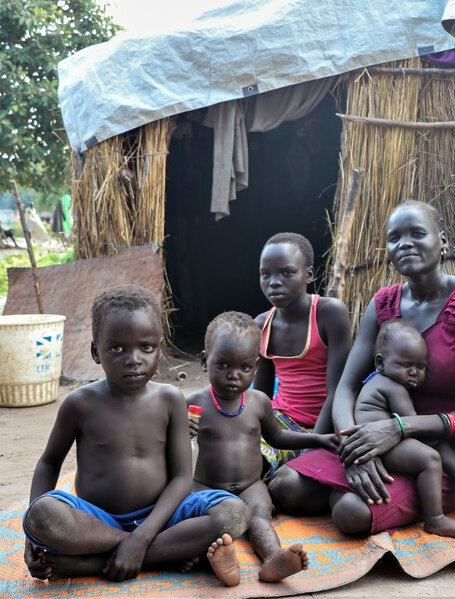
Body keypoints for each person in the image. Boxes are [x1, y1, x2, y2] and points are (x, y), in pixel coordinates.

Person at [269, 200, 455, 535]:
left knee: (351, 512)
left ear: (443, 241)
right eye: (395, 238)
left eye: (417, 233)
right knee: (285, 485)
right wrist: (355, 450)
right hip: (376, 435)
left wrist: (400, 428)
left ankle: (353, 495)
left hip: (449, 450)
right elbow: (345, 387)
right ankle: (349, 487)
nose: (405, 243)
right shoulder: (382, 303)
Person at [22, 285, 250, 585]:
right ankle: (165, 552)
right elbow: (49, 463)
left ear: (159, 347)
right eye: (117, 348)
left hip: (163, 518)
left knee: (233, 513)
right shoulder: (80, 404)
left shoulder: (170, 400)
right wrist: (30, 538)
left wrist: (142, 537)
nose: (133, 359)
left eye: (146, 347)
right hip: (98, 521)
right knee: (42, 516)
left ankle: (93, 563)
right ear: (95, 351)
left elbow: (183, 477)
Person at [187, 311, 338, 582]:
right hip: (205, 486)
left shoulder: (258, 402)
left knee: (259, 516)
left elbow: (278, 438)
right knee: (203, 519)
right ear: (204, 361)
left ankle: (273, 558)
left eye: (244, 368)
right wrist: (182, 431)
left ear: (256, 368)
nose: (234, 376)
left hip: (250, 484)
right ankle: (213, 559)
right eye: (222, 365)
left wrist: (317, 438)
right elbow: (164, 442)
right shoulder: (193, 403)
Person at [354, 319, 455, 538]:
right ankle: (435, 518)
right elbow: (412, 424)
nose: (414, 372)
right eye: (406, 365)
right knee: (430, 458)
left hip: (384, 440)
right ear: (380, 362)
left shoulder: (378, 381)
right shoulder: (392, 387)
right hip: (379, 445)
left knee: (431, 438)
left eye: (421, 366)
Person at [253, 232, 351, 483]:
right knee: (229, 451)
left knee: (286, 483)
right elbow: (261, 396)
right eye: (266, 274)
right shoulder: (262, 324)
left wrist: (311, 447)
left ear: (309, 274)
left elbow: (338, 390)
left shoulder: (329, 314)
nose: (274, 282)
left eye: (286, 273)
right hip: (281, 423)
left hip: (324, 425)